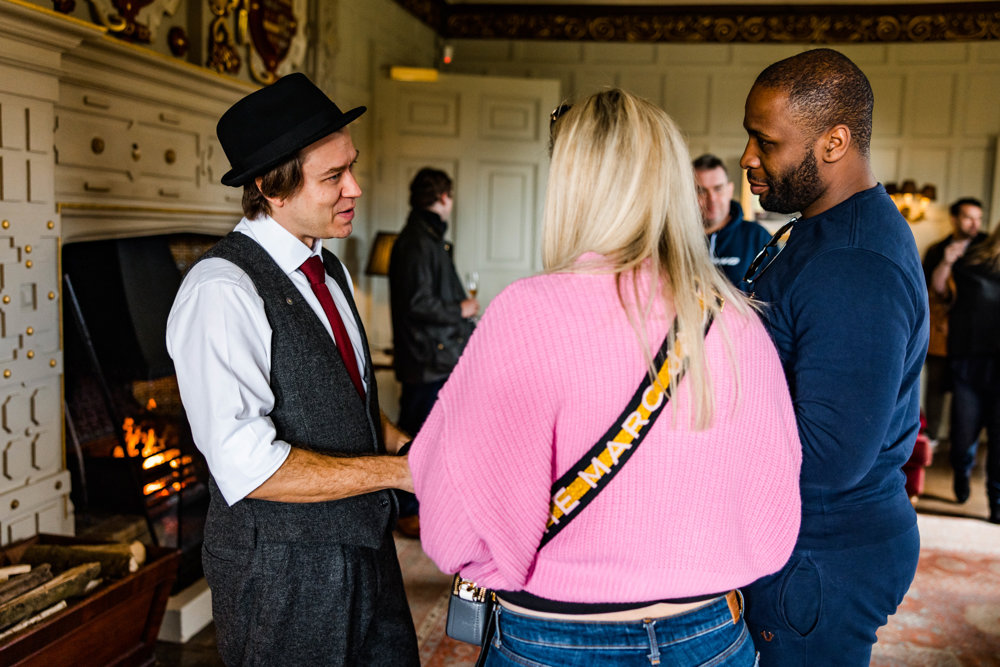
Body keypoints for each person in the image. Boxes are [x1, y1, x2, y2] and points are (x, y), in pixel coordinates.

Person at [410, 89, 802, 666]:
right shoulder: (737, 321)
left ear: (571, 186)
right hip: (709, 634)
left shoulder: (528, 313)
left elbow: (455, 514)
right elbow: (775, 497)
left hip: (555, 637)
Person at [165, 73, 419, 666]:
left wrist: (411, 445)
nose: (356, 187)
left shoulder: (330, 272)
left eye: (350, 166)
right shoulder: (221, 291)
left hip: (367, 551)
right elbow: (248, 468)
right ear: (272, 187)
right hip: (282, 578)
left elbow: (343, 397)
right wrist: (400, 473)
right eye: (333, 177)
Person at [738, 49, 929, 664]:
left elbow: (828, 458)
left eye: (764, 142)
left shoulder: (852, 264)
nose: (748, 159)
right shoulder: (817, 225)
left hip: (824, 553)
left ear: (834, 141)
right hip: (808, 541)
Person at [388, 167, 479, 537]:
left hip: (433, 357)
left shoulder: (427, 238)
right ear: (443, 198)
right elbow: (418, 303)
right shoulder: (418, 241)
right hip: (426, 360)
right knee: (417, 435)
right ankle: (408, 511)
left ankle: (422, 506)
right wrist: (462, 309)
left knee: (428, 433)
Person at [946, 221, 1000, 522]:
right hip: (969, 362)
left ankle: (996, 502)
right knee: (963, 434)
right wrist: (947, 261)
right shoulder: (973, 262)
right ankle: (961, 471)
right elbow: (940, 290)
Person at [922, 198, 986, 449]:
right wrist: (947, 261)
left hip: (976, 336)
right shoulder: (938, 249)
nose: (975, 224)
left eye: (978, 218)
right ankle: (933, 441)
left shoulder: (987, 247)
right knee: (935, 389)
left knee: (968, 394)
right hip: (943, 333)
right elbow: (931, 290)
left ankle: (966, 446)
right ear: (954, 218)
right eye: (969, 217)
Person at [693, 153, 771, 287]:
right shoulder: (675, 239)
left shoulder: (757, 237)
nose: (712, 199)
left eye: (718, 189)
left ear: (730, 190)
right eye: (701, 191)